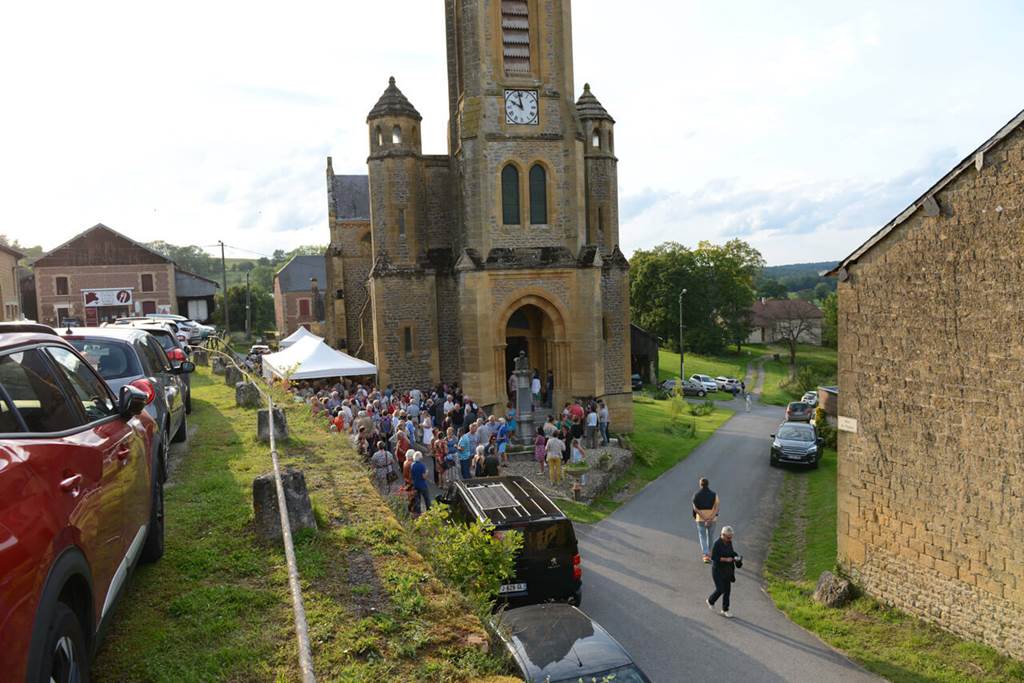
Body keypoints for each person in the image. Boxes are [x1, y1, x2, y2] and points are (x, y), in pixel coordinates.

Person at [707, 526, 741, 618]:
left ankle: (725, 609)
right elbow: (713, 557)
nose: (730, 539)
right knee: (720, 589)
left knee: (727, 591)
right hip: (717, 570)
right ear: (722, 535)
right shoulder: (717, 544)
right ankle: (710, 601)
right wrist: (726, 559)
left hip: (727, 570)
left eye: (731, 537)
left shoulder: (729, 542)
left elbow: (731, 552)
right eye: (728, 537)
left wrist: (736, 557)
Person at [692, 478, 720, 563]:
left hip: (700, 519)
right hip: (712, 519)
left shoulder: (696, 495)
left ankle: (705, 555)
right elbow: (717, 508)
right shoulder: (714, 495)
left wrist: (704, 518)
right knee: (710, 536)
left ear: (700, 484)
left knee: (702, 537)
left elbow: (695, 508)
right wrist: (710, 518)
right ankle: (710, 553)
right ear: (708, 484)